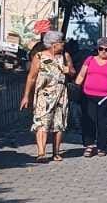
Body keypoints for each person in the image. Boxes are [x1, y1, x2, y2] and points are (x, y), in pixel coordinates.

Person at [21, 30, 73, 162]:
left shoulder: (65, 56)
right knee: (42, 123)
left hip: (61, 94)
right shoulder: (39, 57)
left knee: (59, 123)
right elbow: (31, 77)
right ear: (53, 44)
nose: (63, 44)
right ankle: (41, 153)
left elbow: (73, 72)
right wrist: (26, 95)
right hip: (44, 95)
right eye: (61, 42)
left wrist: (69, 70)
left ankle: (56, 152)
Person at [75, 37, 107, 157]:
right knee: (89, 121)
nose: (104, 51)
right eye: (101, 49)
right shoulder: (90, 60)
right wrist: (76, 87)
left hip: (106, 98)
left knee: (104, 123)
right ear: (97, 49)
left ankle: (102, 147)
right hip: (88, 96)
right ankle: (89, 146)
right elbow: (81, 75)